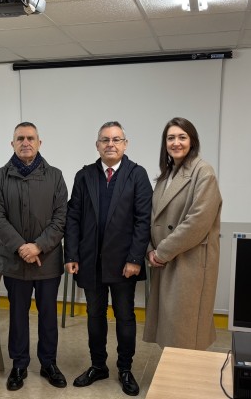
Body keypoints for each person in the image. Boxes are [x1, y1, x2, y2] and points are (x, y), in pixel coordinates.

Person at [64, 121, 152, 397]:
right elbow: (73, 217)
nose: (110, 144)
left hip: (125, 263)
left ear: (125, 144)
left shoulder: (137, 175)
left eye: (116, 139)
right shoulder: (85, 175)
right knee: (94, 315)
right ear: (97, 145)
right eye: (105, 140)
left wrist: (136, 258)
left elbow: (143, 221)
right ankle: (98, 365)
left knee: (125, 317)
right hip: (90, 261)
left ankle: (125, 368)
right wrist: (72, 255)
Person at [0, 122, 68, 391]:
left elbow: (61, 218)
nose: (25, 142)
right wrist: (22, 247)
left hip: (48, 261)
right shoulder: (0, 176)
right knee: (18, 316)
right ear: (12, 144)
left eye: (30, 138)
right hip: (14, 261)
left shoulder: (55, 176)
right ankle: (19, 364)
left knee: (47, 315)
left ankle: (49, 364)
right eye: (20, 138)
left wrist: (38, 246)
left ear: (39, 143)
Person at [143, 117, 222, 350]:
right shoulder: (166, 176)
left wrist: (161, 252)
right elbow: (152, 217)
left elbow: (197, 222)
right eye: (170, 138)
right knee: (169, 326)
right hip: (165, 259)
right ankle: (172, 376)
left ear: (192, 141)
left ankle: (185, 381)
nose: (176, 142)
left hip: (189, 261)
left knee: (186, 329)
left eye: (182, 137)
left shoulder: (203, 172)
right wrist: (150, 250)